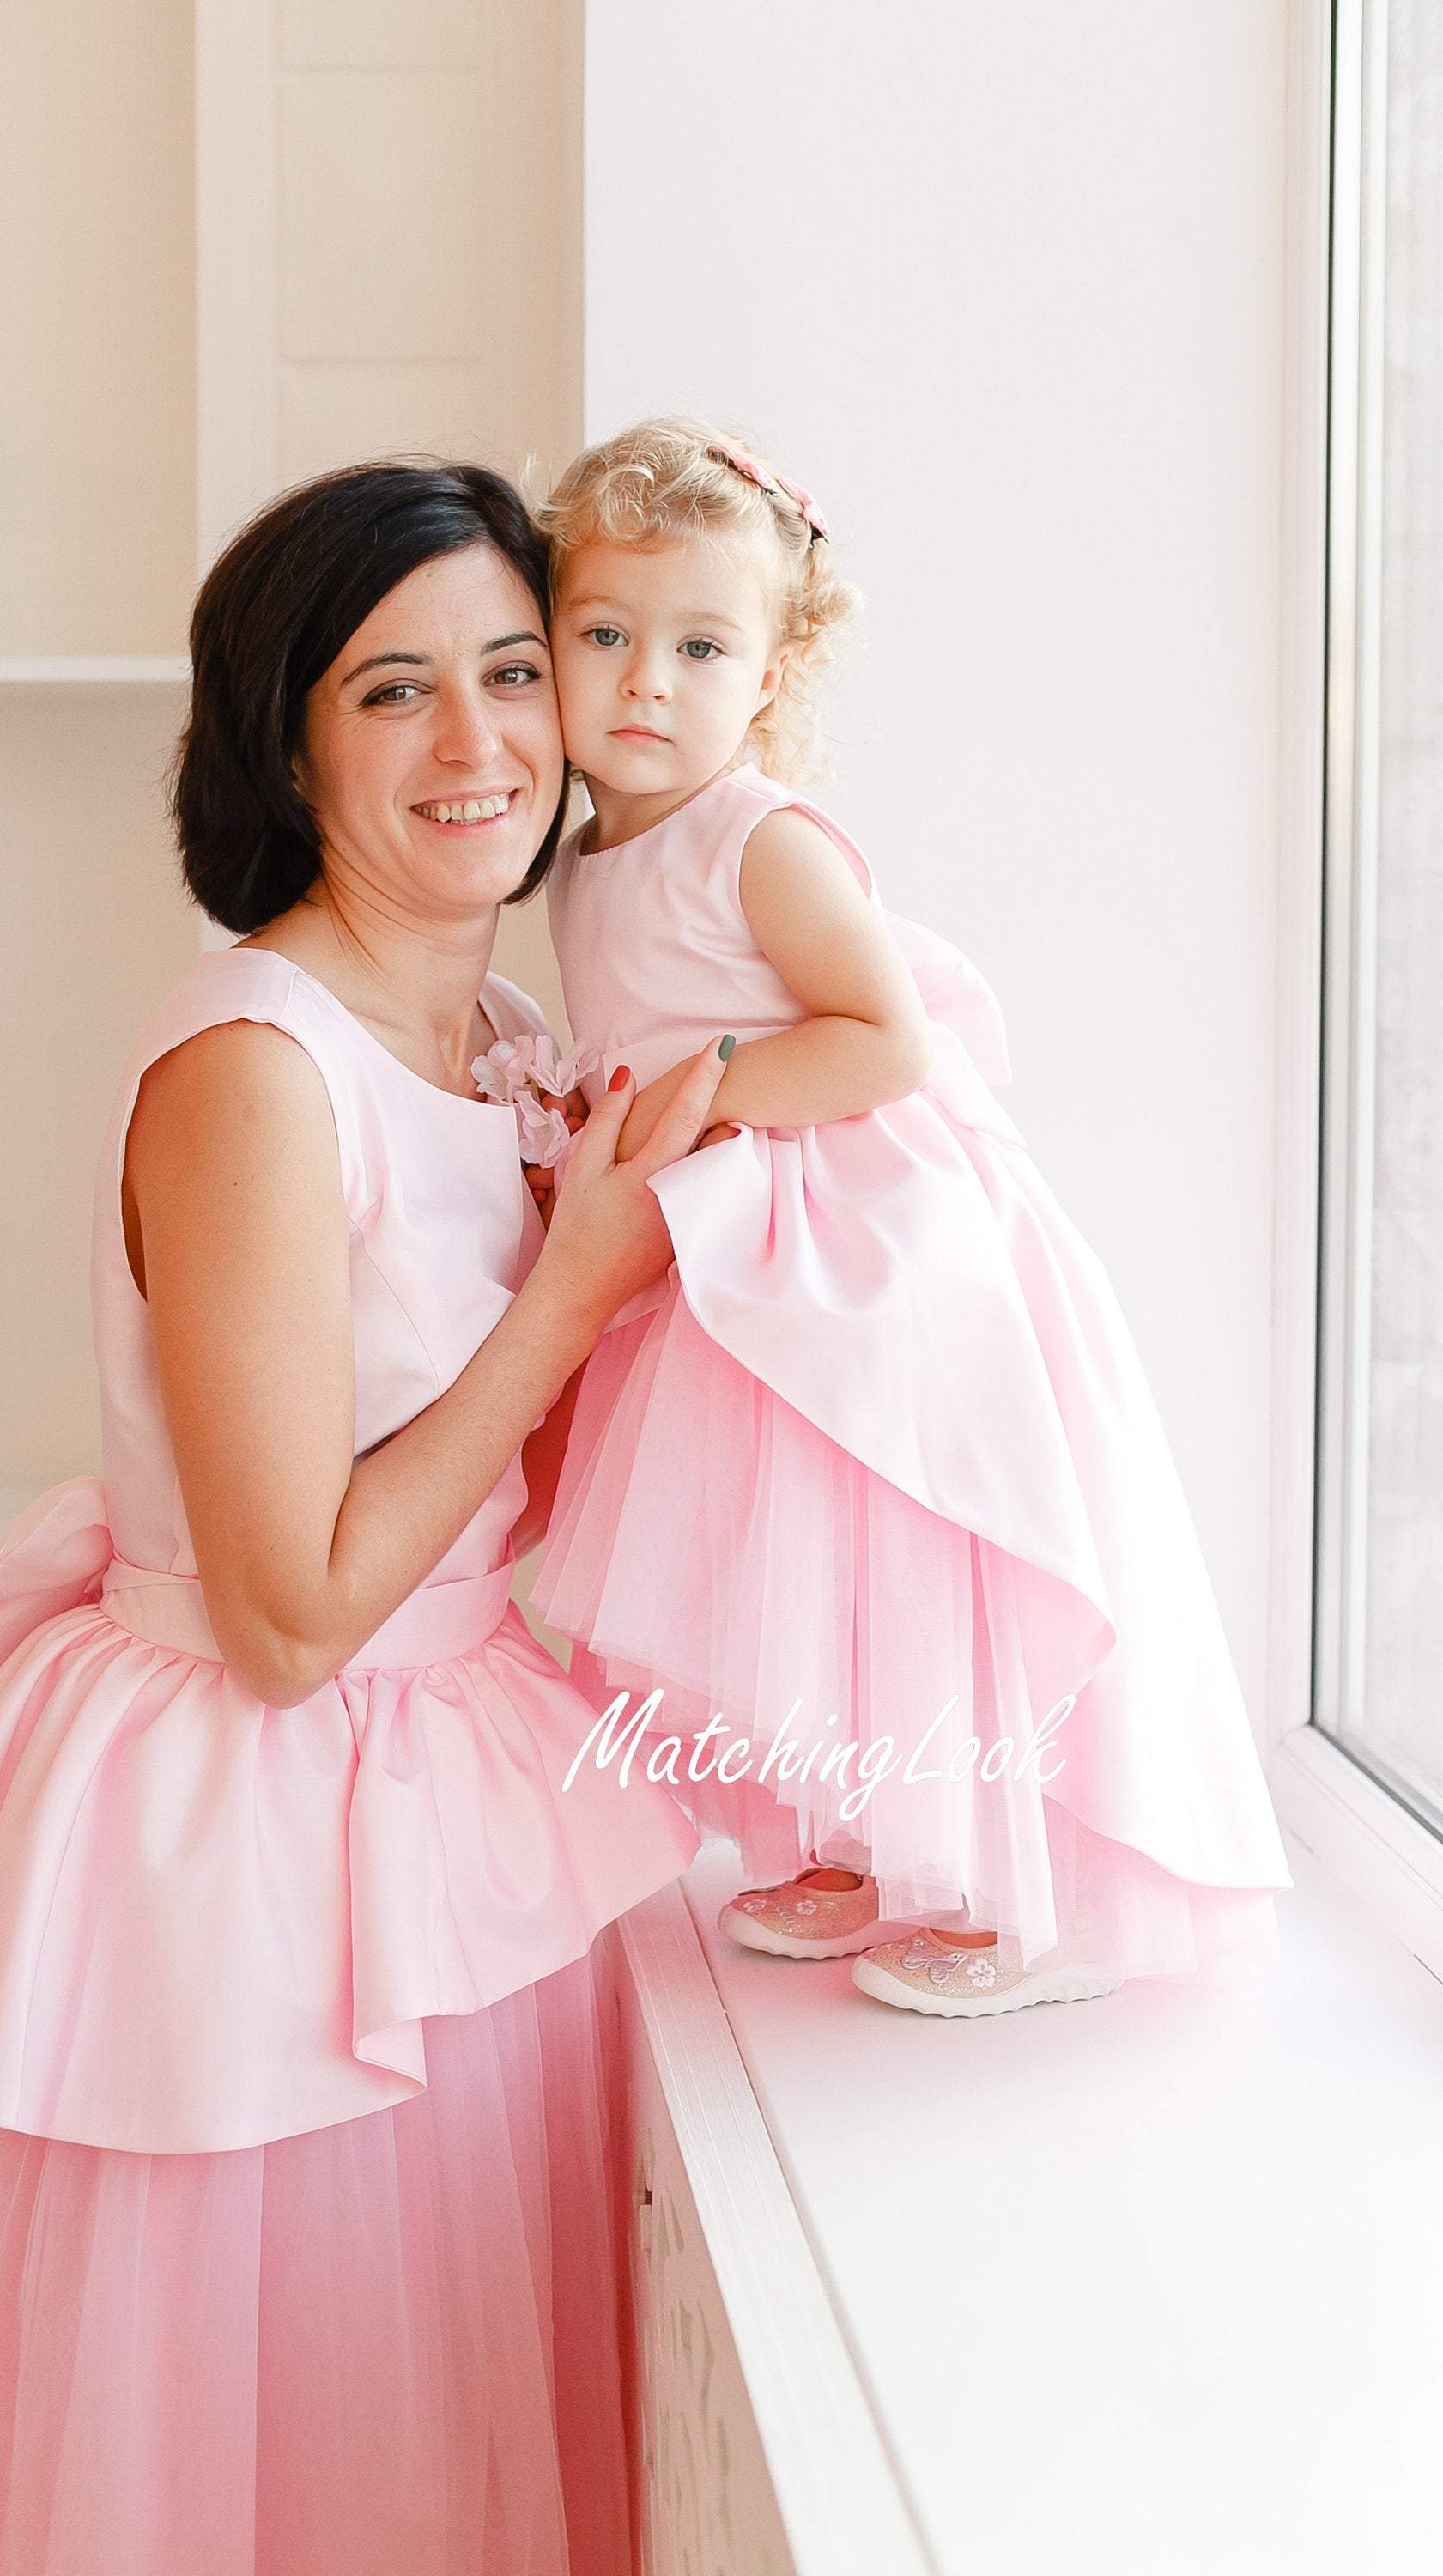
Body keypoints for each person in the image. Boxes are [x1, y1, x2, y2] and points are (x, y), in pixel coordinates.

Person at [0, 458, 730, 2573]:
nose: (482, 740)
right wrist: (575, 1284)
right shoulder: (252, 1061)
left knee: (461, 2442)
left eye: (516, 668)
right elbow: (291, 1612)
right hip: (248, 1837)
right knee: (275, 2462)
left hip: (462, 1795)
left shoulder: (505, 1038)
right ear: (285, 738)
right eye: (394, 690)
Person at [527, 416, 1293, 2019]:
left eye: (698, 645)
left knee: (899, 1546)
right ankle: (859, 1842)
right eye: (604, 634)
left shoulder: (760, 842)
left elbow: (884, 1039)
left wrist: (717, 1083)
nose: (645, 680)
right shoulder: (585, 859)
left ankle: (1014, 1888)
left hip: (863, 1243)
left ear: (774, 671)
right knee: (791, 1560)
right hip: (732, 1255)